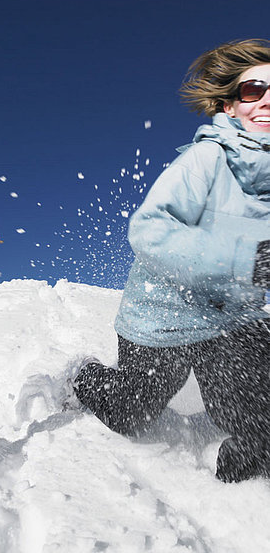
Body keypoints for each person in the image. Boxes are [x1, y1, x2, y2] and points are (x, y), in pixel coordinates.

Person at [71, 39, 270, 483]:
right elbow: (148, 232)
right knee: (131, 415)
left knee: (261, 424)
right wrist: (249, 259)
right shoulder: (207, 159)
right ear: (228, 104)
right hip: (166, 318)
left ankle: (246, 480)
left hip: (234, 320)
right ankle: (85, 378)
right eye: (254, 89)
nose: (267, 100)